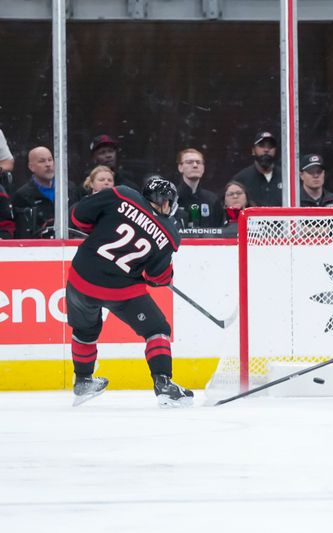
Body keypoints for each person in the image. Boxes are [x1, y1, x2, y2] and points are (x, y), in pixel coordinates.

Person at [67, 176, 193, 408]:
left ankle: (83, 380)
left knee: (85, 330)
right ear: (167, 203)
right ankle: (163, 383)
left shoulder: (122, 194)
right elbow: (157, 277)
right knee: (157, 329)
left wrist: (102, 227)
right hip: (120, 290)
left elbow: (77, 216)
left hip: (81, 277)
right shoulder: (170, 234)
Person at [12, 146, 80, 238]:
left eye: (50, 160)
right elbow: (22, 232)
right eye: (42, 161)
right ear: (31, 167)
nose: (48, 164)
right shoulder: (22, 195)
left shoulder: (69, 188)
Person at [176, 148, 224, 228]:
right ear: (180, 167)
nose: (195, 165)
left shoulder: (212, 200)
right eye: (189, 162)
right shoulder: (172, 199)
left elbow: (221, 231)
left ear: (203, 168)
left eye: (198, 162)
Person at [232, 131, 282, 207]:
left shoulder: (287, 178)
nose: (266, 150)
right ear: (253, 151)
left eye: (270, 146)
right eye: (262, 145)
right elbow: (231, 208)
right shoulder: (241, 179)